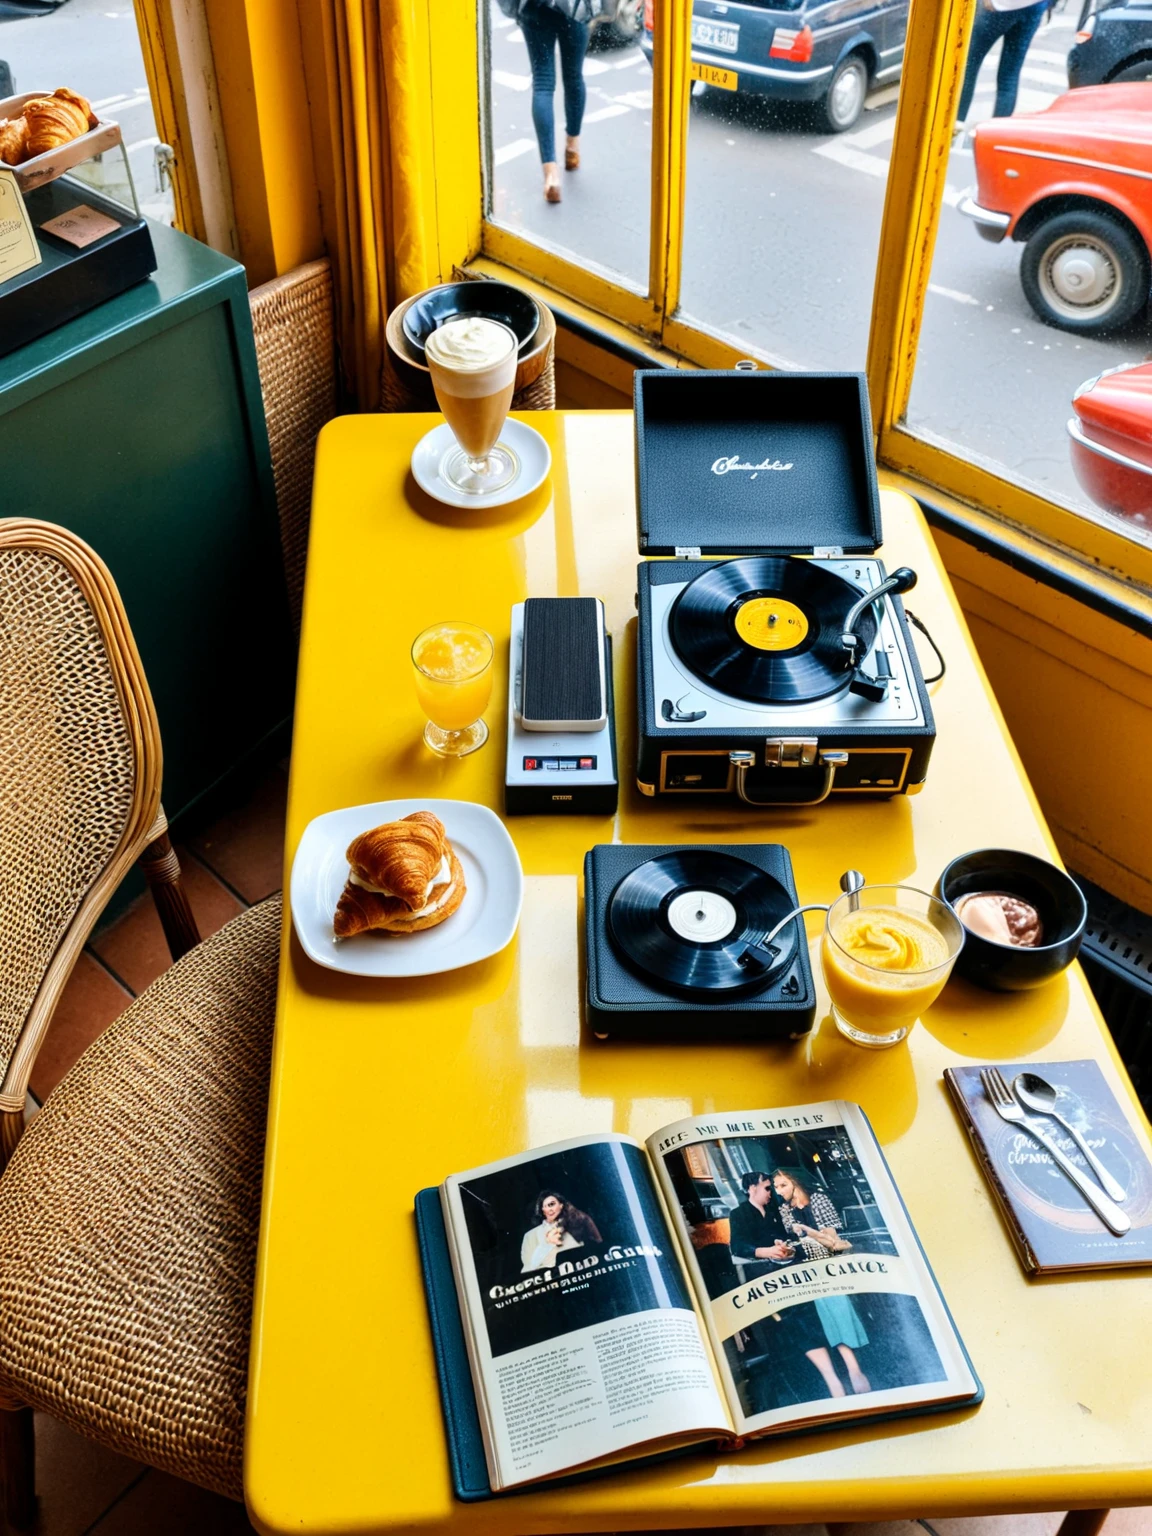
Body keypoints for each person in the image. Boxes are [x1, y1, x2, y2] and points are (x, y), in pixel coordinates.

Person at [727, 1170, 846, 1400]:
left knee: (809, 1312)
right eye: (768, 1188)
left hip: (791, 1270)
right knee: (791, 1322)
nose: (773, 1193)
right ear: (752, 1187)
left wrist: (783, 1246)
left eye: (775, 1187)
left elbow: (789, 1236)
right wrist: (765, 1251)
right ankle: (814, 1377)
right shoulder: (739, 1214)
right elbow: (738, 1247)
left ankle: (830, 1374)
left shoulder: (776, 1210)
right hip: (764, 1277)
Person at [772, 1169, 872, 1396]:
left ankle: (854, 1371)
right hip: (807, 1269)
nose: (779, 1191)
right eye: (776, 1187)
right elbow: (797, 1244)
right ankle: (844, 1375)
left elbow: (832, 1241)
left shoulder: (818, 1200)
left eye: (783, 1185)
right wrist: (785, 1249)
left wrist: (808, 1231)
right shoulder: (785, 1210)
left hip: (830, 1265)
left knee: (836, 1306)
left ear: (795, 1183)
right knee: (819, 1314)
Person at [500, 0, 601, 204]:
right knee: (574, 77)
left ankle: (551, 175)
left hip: (535, 7)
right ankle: (572, 150)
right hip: (574, 7)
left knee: (543, 83)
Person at [956, 0, 1050, 124]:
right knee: (1010, 75)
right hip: (1033, 6)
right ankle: (996, 129)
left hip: (998, 6)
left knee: (969, 65)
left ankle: (957, 122)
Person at [520, 1189, 602, 1271]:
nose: (549, 1209)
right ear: (542, 1210)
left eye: (552, 1204)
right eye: (545, 1206)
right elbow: (527, 1268)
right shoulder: (530, 1236)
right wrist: (547, 1245)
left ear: (561, 1205)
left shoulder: (576, 1225)